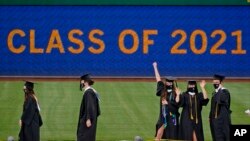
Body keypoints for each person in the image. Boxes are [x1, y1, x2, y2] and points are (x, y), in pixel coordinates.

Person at [152, 62, 181, 140]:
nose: (168, 83)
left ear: (172, 83)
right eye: (167, 82)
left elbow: (177, 103)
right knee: (159, 132)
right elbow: (158, 79)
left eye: (170, 82)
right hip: (163, 115)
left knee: (173, 134)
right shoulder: (162, 90)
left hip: (173, 116)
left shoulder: (175, 92)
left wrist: (178, 95)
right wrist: (155, 67)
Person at [77, 74, 101, 141]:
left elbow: (89, 106)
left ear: (86, 82)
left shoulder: (88, 93)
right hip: (90, 118)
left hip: (87, 119)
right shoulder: (92, 91)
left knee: (84, 137)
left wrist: (88, 119)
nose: (82, 84)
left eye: (83, 82)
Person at [209, 74, 231, 141]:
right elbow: (213, 105)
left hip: (222, 119)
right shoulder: (215, 92)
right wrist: (210, 116)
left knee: (222, 135)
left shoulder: (225, 92)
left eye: (217, 83)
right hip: (215, 119)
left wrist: (220, 90)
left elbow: (221, 100)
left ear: (220, 83)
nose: (215, 84)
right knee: (215, 135)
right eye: (214, 83)